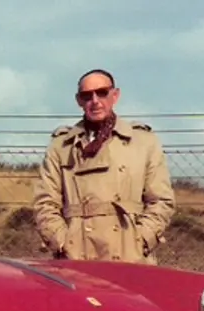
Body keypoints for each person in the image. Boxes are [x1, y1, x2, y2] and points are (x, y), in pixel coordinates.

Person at [32, 69, 175, 265]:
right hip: (75, 258)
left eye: (102, 93)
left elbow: (161, 201)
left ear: (115, 95)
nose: (95, 101)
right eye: (87, 95)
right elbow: (45, 203)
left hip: (130, 258)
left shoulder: (143, 142)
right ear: (79, 101)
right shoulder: (61, 146)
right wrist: (63, 243)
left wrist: (140, 240)